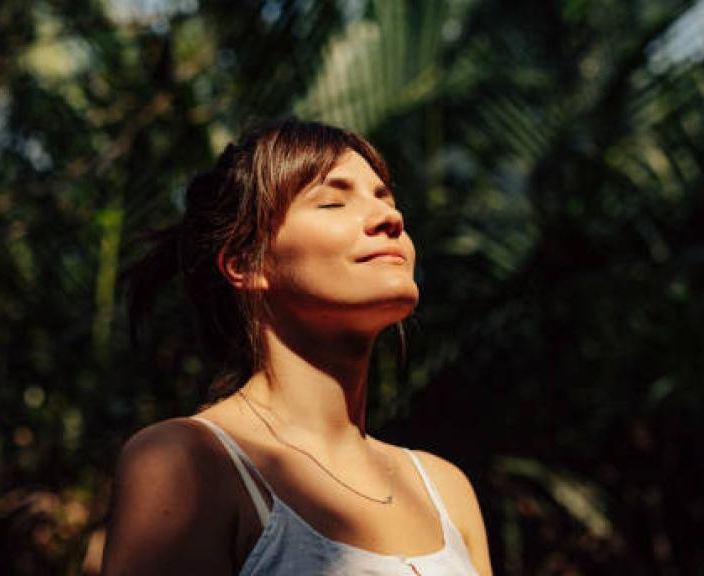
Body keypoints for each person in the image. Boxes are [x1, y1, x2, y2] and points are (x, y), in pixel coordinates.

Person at [103, 119, 493, 575]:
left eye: (385, 198)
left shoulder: (446, 491)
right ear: (246, 264)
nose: (391, 218)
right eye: (332, 201)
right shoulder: (188, 463)